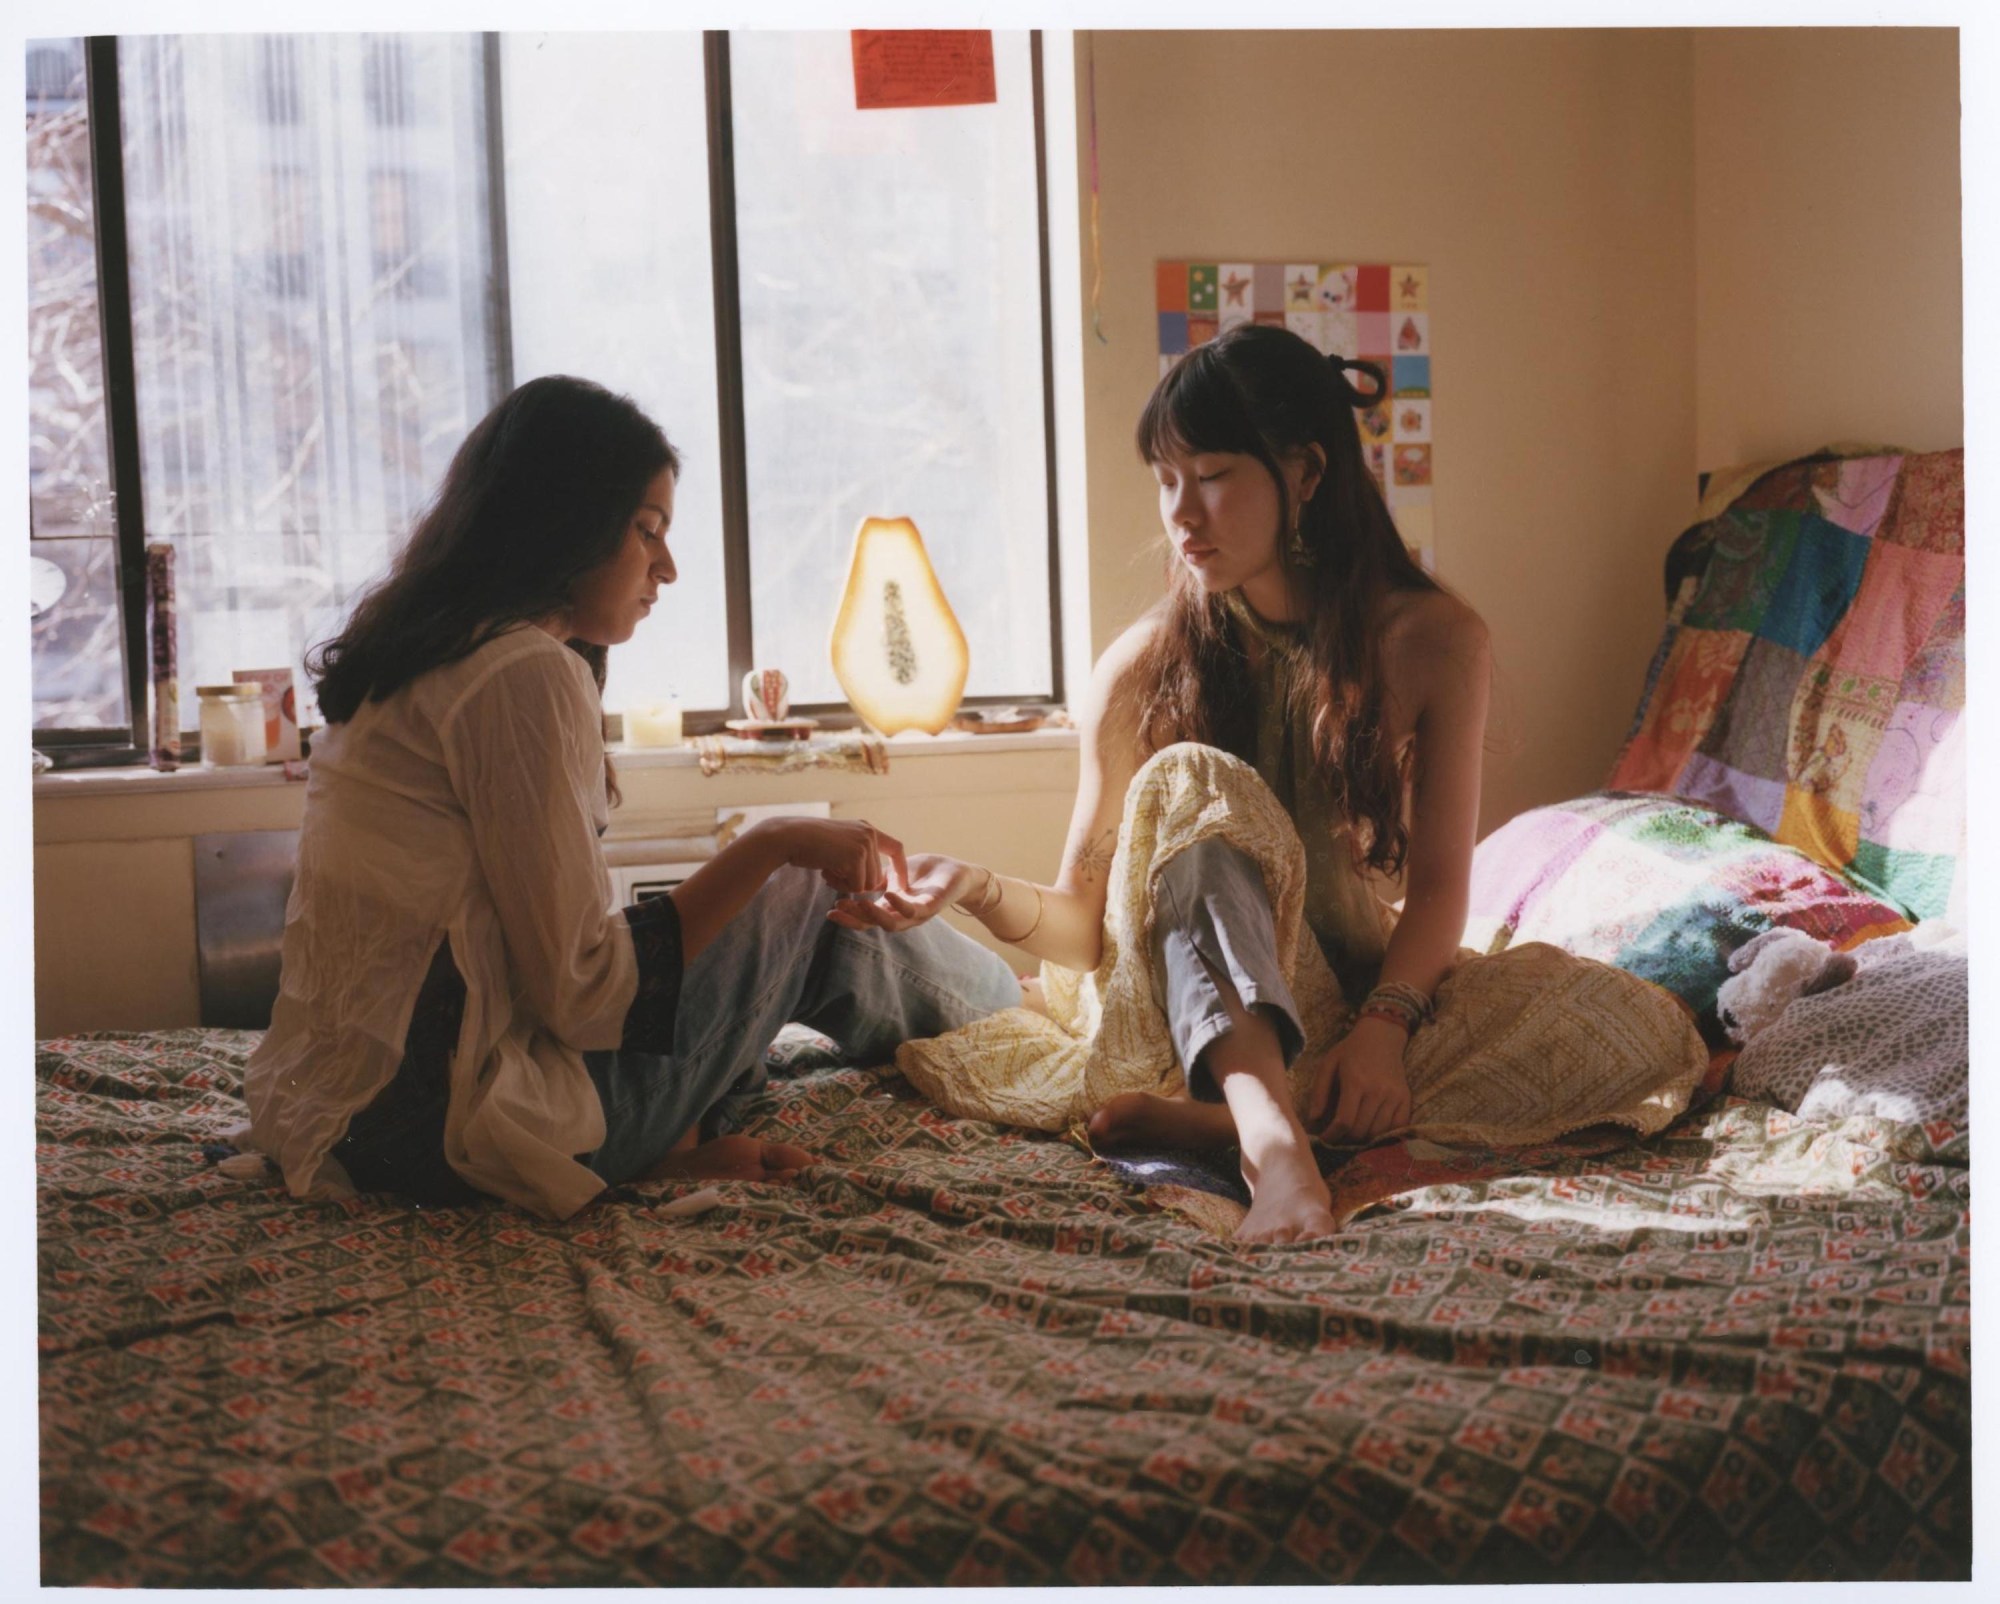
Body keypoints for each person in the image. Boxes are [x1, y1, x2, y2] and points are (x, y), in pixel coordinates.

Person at [832, 325, 1705, 1245]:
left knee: (1637, 1032)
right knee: (1196, 783)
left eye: (1211, 475)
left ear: (1307, 474)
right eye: (1166, 481)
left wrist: (1384, 1032)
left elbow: (1443, 888)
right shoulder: (1138, 670)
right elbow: (1084, 932)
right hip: (1169, 1013)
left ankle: (1247, 1110)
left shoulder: (1435, 640)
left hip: (1336, 1000)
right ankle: (1277, 1152)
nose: (1182, 513)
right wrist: (973, 886)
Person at [243, 376, 1022, 1219]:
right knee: (802, 892)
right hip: (445, 1135)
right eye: (647, 530)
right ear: (565, 522)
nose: (669, 569)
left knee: (763, 922)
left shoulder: (420, 657)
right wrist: (771, 845)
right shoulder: (519, 672)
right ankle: (1016, 1028)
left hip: (342, 1113)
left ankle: (983, 1015)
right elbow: (583, 996)